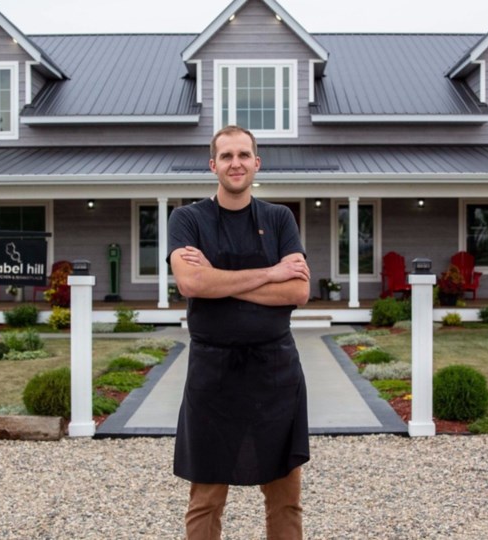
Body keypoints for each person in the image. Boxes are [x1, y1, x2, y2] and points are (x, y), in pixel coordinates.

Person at [167, 125, 311, 540]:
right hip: (212, 374)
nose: (236, 163)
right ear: (213, 165)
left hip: (276, 373)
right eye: (227, 156)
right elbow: (192, 285)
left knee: (285, 497)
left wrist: (219, 280)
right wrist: (270, 274)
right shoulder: (188, 219)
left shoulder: (279, 218)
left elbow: (299, 290)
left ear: (256, 163)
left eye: (243, 155)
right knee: (206, 498)